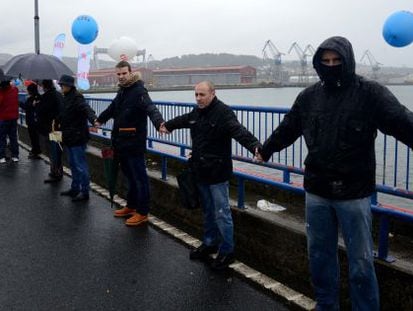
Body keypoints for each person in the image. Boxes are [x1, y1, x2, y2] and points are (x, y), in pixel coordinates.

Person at [255, 36, 413, 310]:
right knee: (319, 256)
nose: (331, 65)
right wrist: (266, 149)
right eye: (325, 61)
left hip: (354, 194)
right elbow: (288, 128)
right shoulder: (308, 97)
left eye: (336, 60)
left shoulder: (370, 93)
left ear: (348, 61)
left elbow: (402, 121)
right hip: (316, 190)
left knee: (361, 263)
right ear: (318, 63)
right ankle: (326, 305)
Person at [161, 81, 261, 270]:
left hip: (217, 172)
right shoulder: (196, 112)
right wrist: (168, 126)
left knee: (221, 213)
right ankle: (209, 243)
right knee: (207, 211)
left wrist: (255, 147)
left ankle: (227, 251)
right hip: (200, 170)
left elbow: (239, 131)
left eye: (202, 95)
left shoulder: (224, 113)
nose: (198, 98)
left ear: (213, 93)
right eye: (196, 95)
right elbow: (183, 120)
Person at [94, 61, 165, 226]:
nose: (121, 76)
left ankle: (142, 212)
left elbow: (151, 108)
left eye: (124, 73)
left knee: (140, 179)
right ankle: (132, 206)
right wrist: (99, 120)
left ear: (130, 72)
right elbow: (112, 108)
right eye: (118, 74)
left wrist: (159, 123)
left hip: (134, 143)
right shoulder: (122, 91)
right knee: (130, 178)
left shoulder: (139, 90)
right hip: (120, 143)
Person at [57, 75, 97, 202]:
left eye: (62, 85)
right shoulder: (66, 97)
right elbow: (64, 115)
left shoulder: (77, 98)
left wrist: (94, 119)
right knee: (73, 165)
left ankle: (84, 191)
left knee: (80, 166)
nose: (61, 87)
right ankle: (75, 188)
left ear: (68, 85)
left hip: (78, 137)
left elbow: (87, 109)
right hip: (68, 137)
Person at [36, 79, 64, 183]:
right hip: (57, 127)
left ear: (44, 86)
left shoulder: (48, 96)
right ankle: (57, 171)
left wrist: (37, 104)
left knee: (54, 150)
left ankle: (56, 173)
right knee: (57, 150)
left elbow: (41, 111)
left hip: (52, 128)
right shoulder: (58, 94)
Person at [0, 69, 19, 163]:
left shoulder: (1, 92)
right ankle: (15, 156)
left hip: (3, 118)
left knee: (2, 137)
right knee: (13, 137)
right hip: (14, 118)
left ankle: (2, 156)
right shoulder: (15, 89)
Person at [20, 82, 42, 159]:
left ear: (31, 91)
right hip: (36, 121)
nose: (27, 91)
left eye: (28, 90)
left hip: (32, 121)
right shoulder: (39, 97)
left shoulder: (32, 98)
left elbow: (27, 107)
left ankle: (35, 151)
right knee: (35, 137)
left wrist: (19, 103)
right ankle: (35, 150)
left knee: (33, 137)